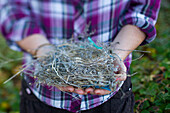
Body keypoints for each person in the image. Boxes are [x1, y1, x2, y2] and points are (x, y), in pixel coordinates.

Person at [0, 0, 160, 113]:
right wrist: (45, 52)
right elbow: (12, 10)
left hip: (110, 92)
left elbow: (144, 7)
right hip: (43, 93)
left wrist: (116, 55)